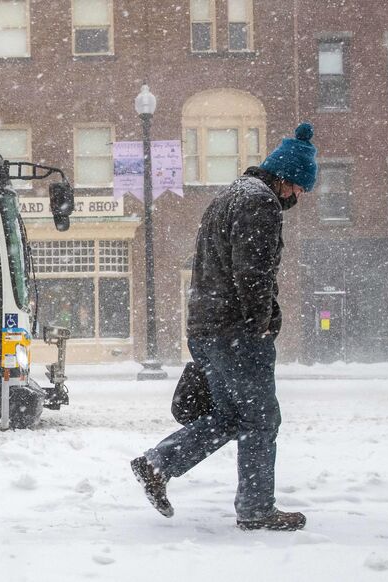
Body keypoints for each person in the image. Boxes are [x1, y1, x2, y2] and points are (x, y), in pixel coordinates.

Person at [130, 123, 319, 531]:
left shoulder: (228, 197)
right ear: (286, 179)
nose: (300, 195)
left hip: (206, 327)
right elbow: (253, 271)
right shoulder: (259, 203)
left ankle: (158, 464)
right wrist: (263, 321)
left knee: (233, 416)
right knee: (262, 420)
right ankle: (256, 510)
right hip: (236, 332)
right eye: (301, 187)